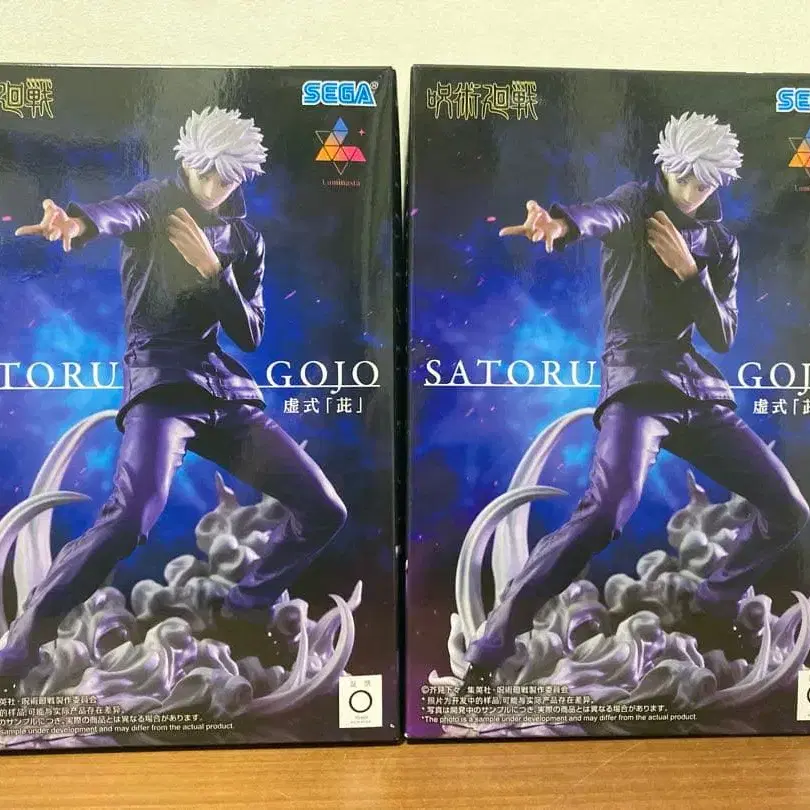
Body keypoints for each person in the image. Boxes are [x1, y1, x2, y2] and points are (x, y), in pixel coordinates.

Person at [0, 107, 347, 691]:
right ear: (188, 163)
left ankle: (244, 608)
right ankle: (25, 636)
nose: (215, 188)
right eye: (207, 174)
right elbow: (117, 214)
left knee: (325, 509)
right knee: (129, 518)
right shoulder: (156, 202)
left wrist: (214, 270)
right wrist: (77, 223)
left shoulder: (245, 240)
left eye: (229, 179)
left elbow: (251, 334)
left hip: (225, 392)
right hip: (162, 386)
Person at [461, 112, 809, 691]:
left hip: (696, 391)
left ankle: (712, 602)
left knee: (789, 508)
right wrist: (559, 224)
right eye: (686, 178)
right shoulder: (637, 203)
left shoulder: (720, 243)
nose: (694, 192)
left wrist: (690, 271)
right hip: (638, 386)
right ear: (668, 167)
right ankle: (491, 643)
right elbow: (599, 215)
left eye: (707, 182)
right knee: (604, 513)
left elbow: (723, 334)